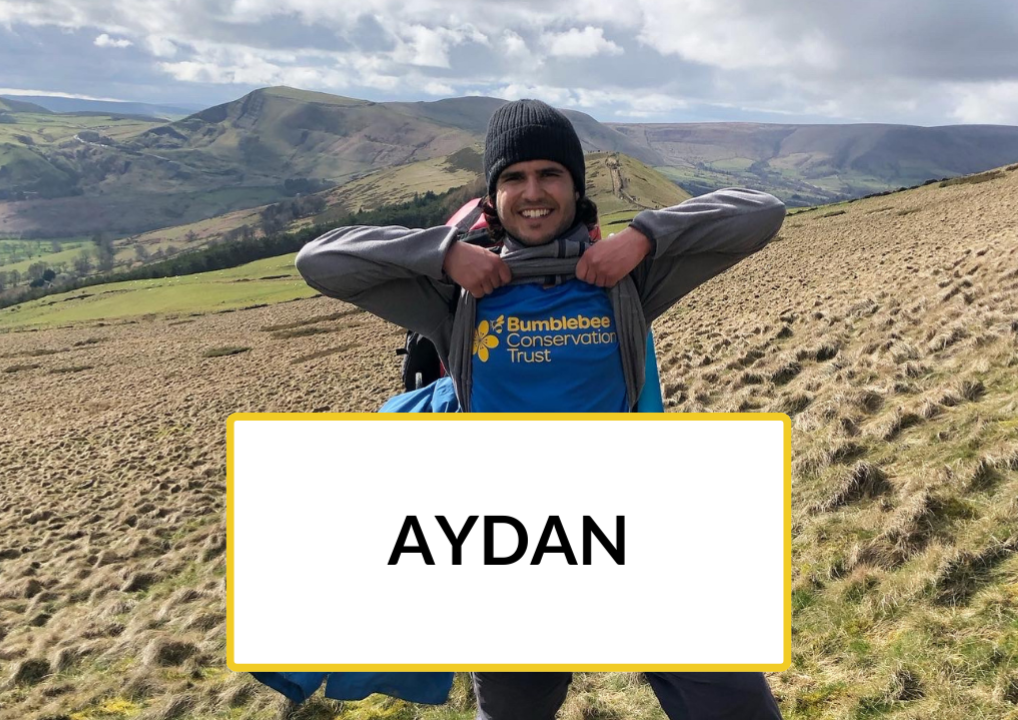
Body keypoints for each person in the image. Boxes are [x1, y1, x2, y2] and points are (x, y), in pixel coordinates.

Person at [295, 99, 785, 719]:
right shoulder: (456, 294)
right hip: (515, 549)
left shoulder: (626, 278)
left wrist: (643, 237)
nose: (533, 192)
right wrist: (445, 254)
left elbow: (763, 213)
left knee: (735, 706)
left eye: (550, 174)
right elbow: (319, 259)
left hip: (631, 530)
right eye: (513, 178)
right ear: (492, 195)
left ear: (575, 188)